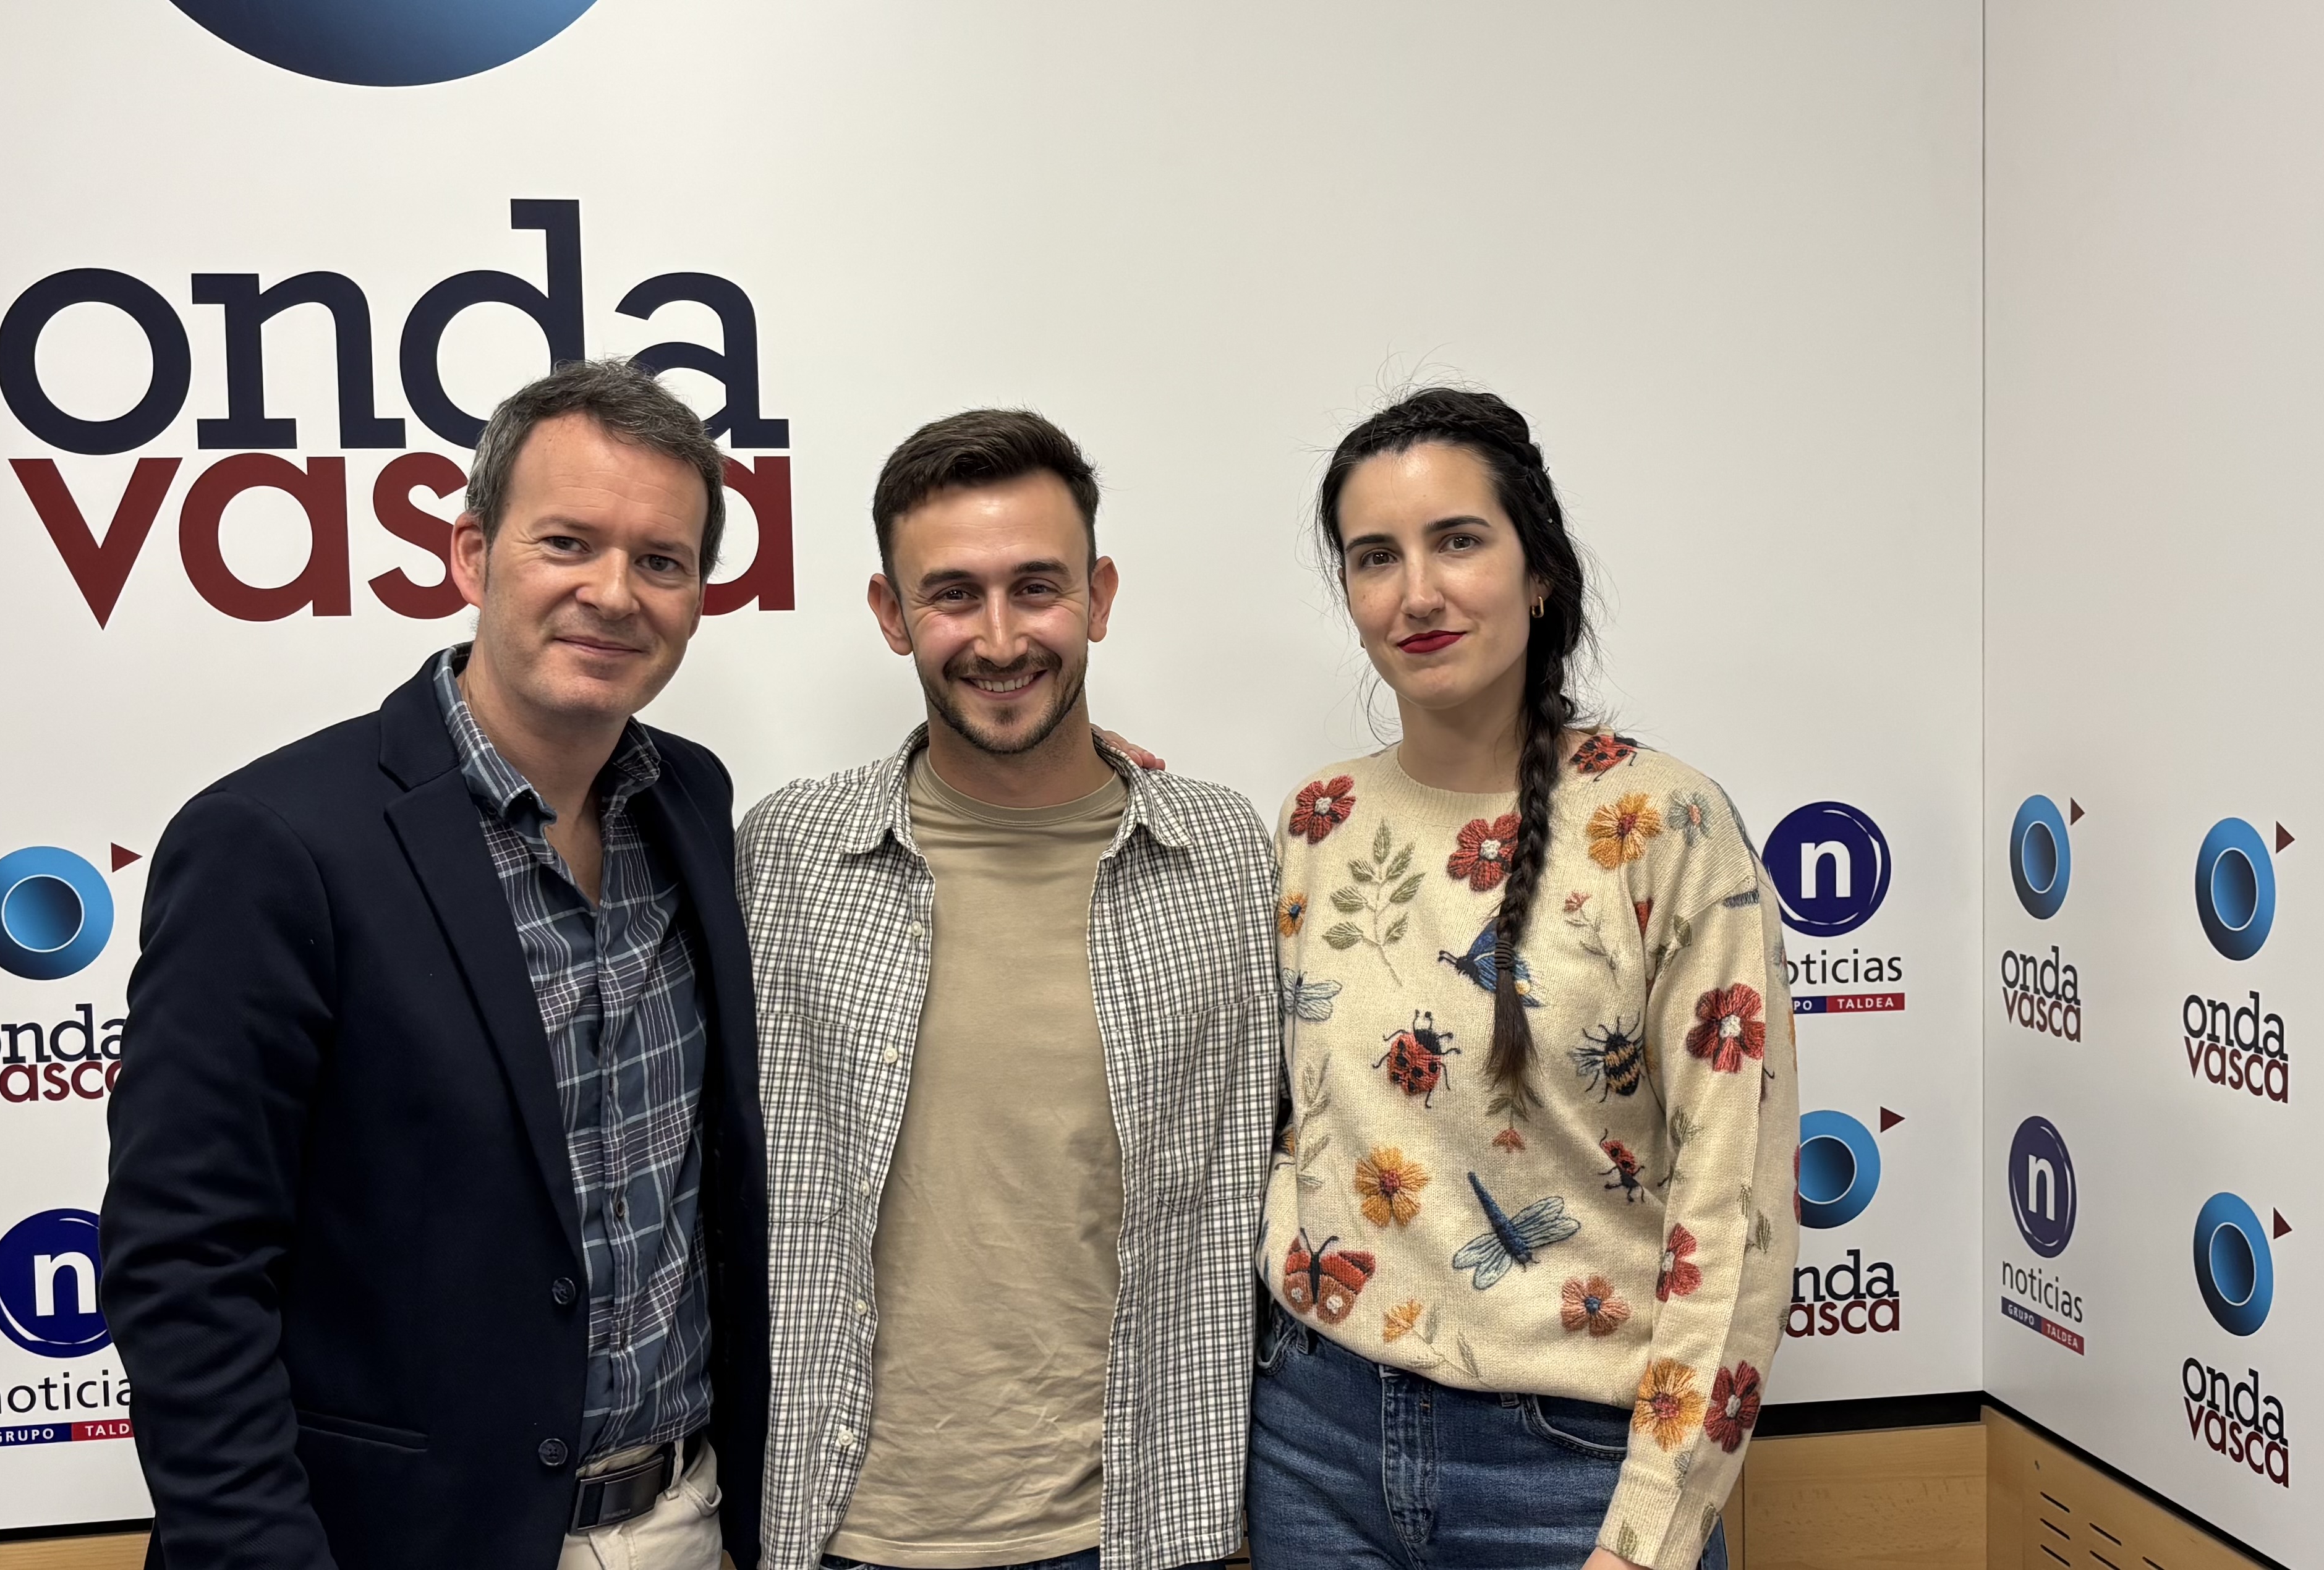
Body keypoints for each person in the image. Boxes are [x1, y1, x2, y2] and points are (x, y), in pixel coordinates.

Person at [101, 360, 765, 1570]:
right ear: (470, 554)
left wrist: (1065, 764)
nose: (613, 593)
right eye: (566, 542)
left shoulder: (693, 801)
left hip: (684, 1522)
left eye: (660, 561)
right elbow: (186, 1258)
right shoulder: (275, 841)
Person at [1249, 388, 1797, 1570]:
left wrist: (1652, 1527)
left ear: (1539, 571)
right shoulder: (1318, 819)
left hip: (1574, 1467)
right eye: (1374, 557)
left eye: (1458, 541)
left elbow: (1734, 1206)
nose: (1418, 592)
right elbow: (1291, 1129)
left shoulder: (1665, 825)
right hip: (1313, 1442)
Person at [738, 410, 1280, 1570]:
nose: (998, 638)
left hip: (1149, 1524)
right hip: (850, 1529)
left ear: (1100, 595)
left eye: (1037, 588)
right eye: (951, 595)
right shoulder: (778, 858)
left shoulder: (1227, 857)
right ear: (891, 615)